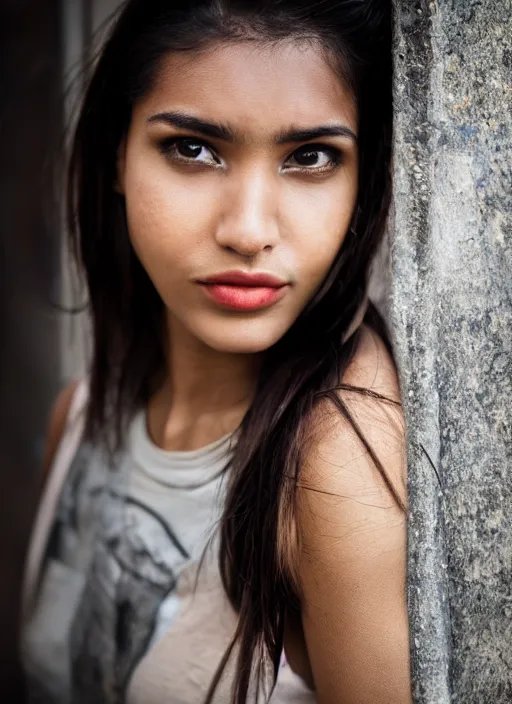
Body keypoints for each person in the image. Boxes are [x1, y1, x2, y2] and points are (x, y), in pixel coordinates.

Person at [20, 1, 412, 702]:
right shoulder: (77, 419)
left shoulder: (331, 467)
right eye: (194, 148)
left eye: (310, 156)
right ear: (116, 155)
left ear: (364, 182)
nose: (248, 230)